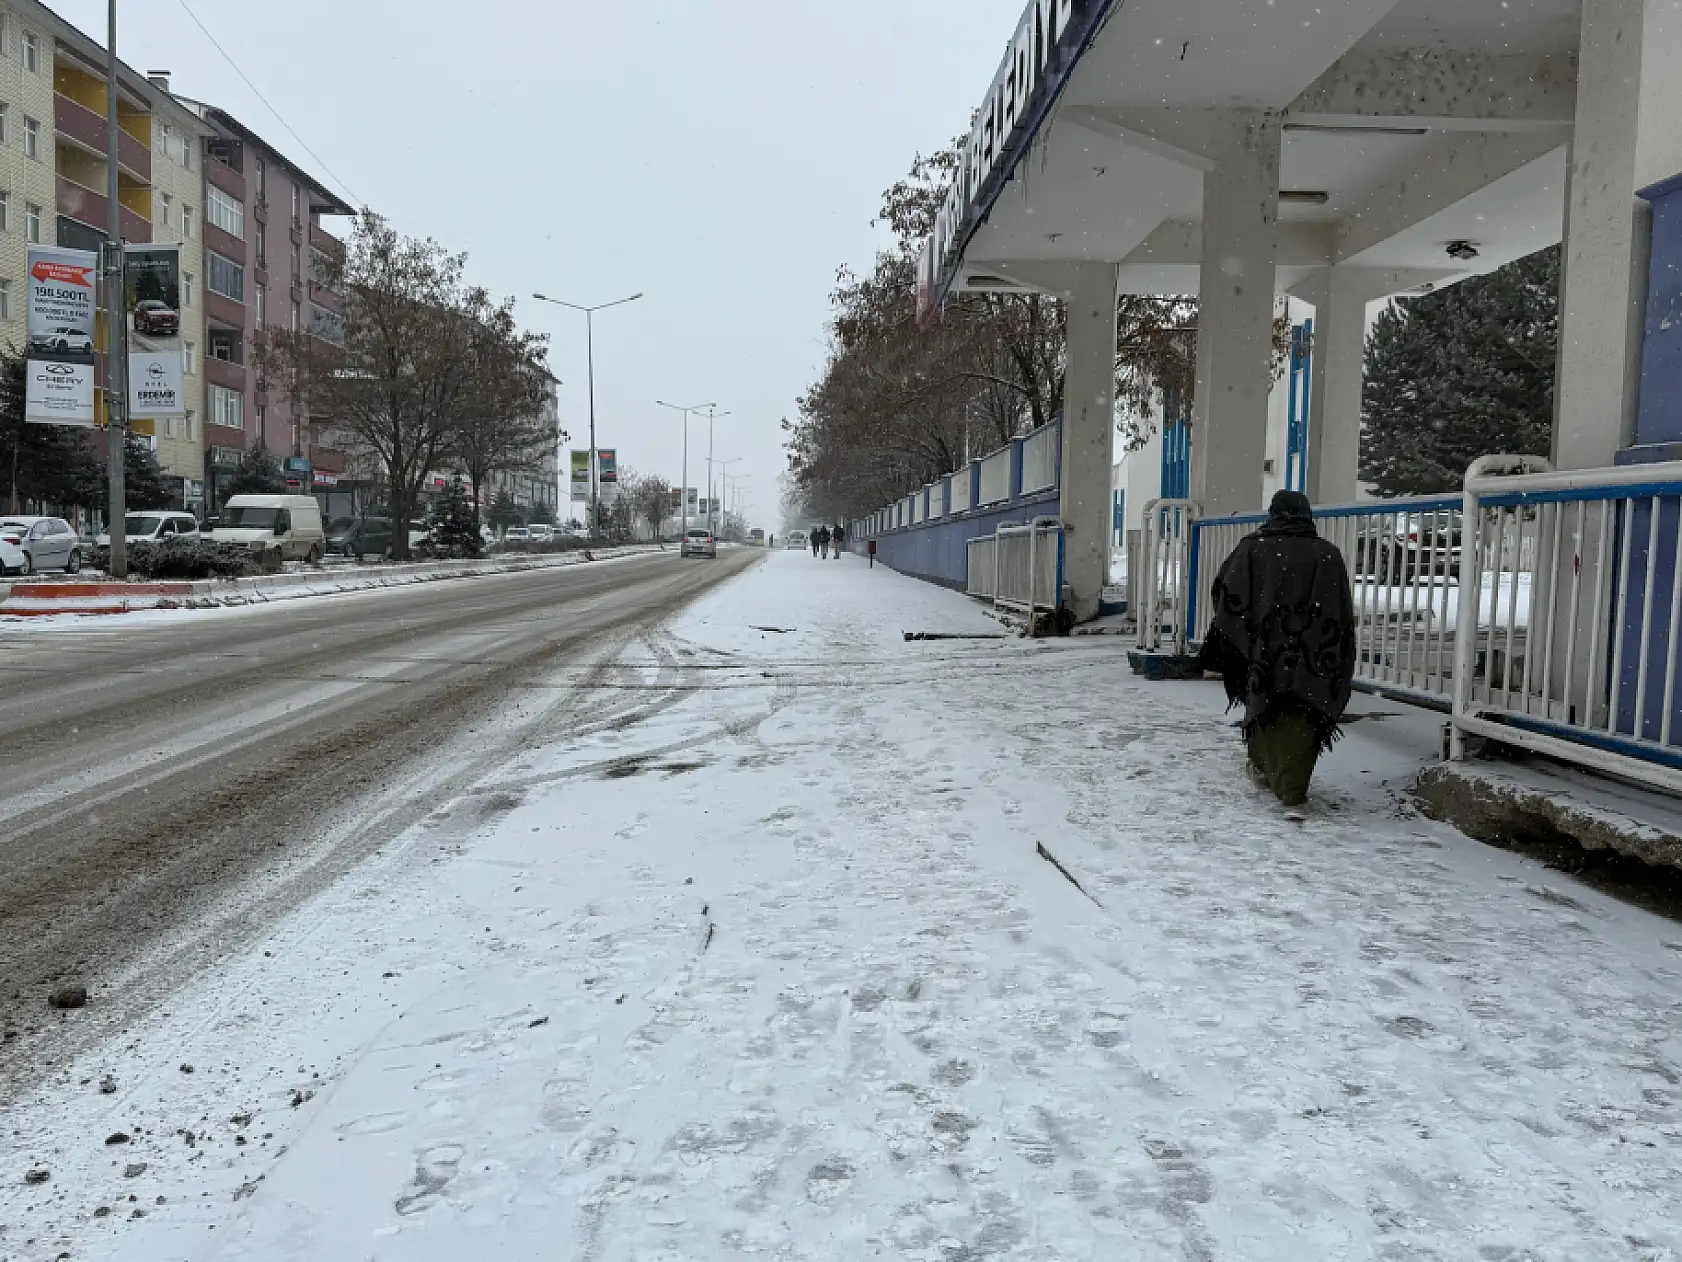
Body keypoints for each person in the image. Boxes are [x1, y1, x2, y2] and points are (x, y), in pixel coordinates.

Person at [1197, 490, 1356, 809]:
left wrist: (1250, 629)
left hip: (1265, 651)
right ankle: (1291, 781)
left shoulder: (1252, 549)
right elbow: (1339, 612)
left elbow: (1226, 593)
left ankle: (1268, 770)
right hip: (1314, 656)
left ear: (1273, 513)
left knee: (1264, 704)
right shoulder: (1328, 554)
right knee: (1303, 713)